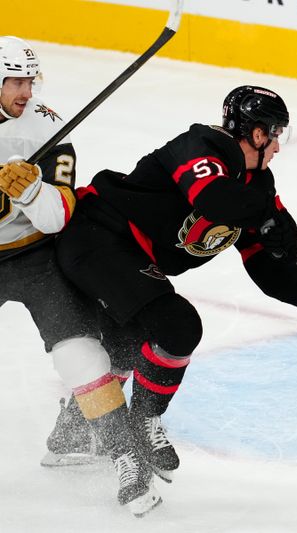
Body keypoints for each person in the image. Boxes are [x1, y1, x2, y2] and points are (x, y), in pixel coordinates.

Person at [53, 84, 297, 483]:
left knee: (130, 343)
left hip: (131, 260)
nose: (278, 146)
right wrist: (265, 216)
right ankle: (142, 424)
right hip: (97, 237)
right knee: (177, 325)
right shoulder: (202, 147)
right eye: (276, 134)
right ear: (258, 133)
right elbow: (212, 198)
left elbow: (269, 267)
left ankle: (72, 432)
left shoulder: (257, 185)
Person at [0, 35, 160, 515]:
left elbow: (57, 218)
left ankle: (123, 453)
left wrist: (29, 193)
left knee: (81, 353)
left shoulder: (48, 126)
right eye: (13, 81)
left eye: (29, 79)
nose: (25, 90)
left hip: (34, 256)